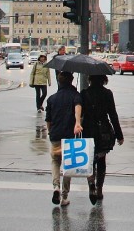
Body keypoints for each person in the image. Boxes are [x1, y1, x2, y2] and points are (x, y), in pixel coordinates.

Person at [81, 74, 125, 205]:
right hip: (103, 131)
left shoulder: (84, 93)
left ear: (90, 79)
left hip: (88, 129)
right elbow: (113, 115)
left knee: (89, 159)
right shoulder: (107, 93)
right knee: (101, 160)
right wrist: (119, 135)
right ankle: (99, 188)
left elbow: (79, 113)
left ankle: (91, 184)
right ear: (104, 80)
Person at [45, 71, 83, 207]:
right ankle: (64, 196)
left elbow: (48, 120)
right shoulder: (75, 95)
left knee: (55, 161)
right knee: (68, 165)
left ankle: (56, 187)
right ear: (71, 81)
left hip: (55, 134)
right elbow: (78, 106)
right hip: (69, 135)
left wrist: (50, 131)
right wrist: (77, 122)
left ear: (59, 82)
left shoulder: (52, 98)